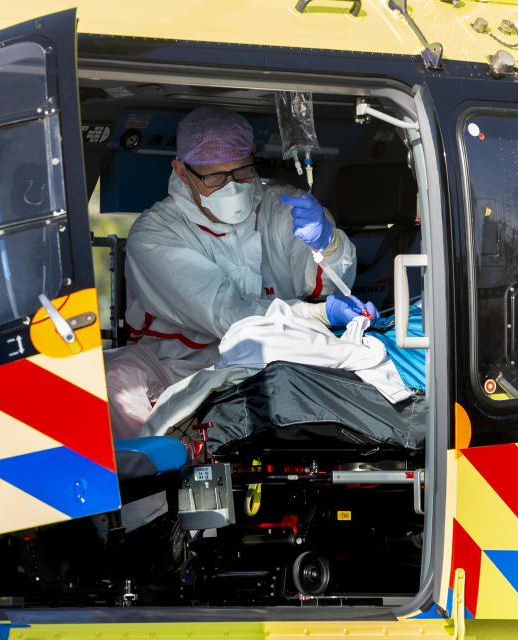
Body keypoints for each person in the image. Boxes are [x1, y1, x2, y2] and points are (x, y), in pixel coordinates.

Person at [104, 106, 379, 439]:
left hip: (275, 362)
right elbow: (227, 314)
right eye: (214, 177)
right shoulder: (156, 233)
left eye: (241, 172)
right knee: (115, 385)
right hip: (176, 369)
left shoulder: (284, 208)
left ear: (252, 157)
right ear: (181, 171)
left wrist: (329, 245)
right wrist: (318, 314)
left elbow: (332, 283)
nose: (230, 186)